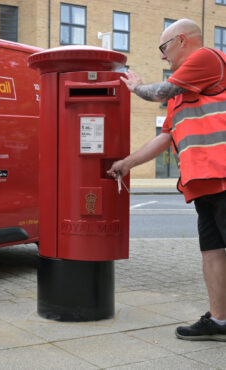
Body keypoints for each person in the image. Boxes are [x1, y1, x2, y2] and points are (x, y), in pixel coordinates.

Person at [107, 18, 226, 341]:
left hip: (224, 177)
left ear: (183, 40)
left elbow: (159, 90)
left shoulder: (207, 58)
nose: (162, 56)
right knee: (212, 253)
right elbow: (164, 138)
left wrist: (134, 87)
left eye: (164, 48)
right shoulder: (182, 95)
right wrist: (126, 164)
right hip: (202, 185)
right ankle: (219, 321)